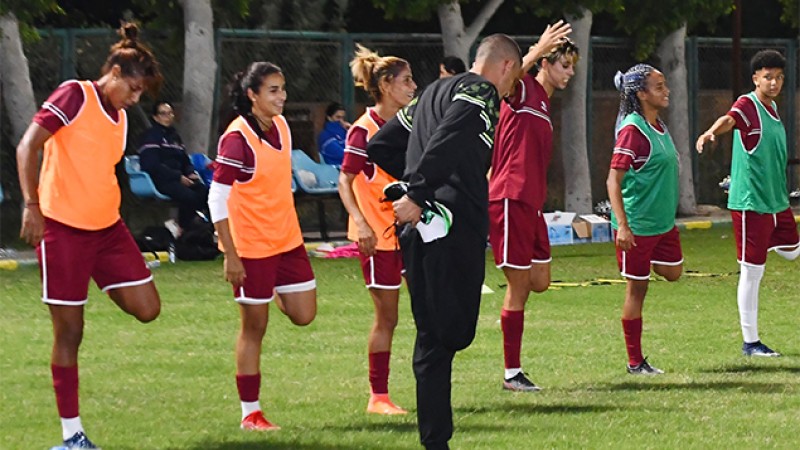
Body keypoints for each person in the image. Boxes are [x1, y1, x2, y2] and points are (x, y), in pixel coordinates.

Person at [15, 23, 163, 450]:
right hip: (62, 230)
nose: (135, 99)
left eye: (140, 93)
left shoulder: (118, 116)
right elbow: (28, 146)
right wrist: (32, 205)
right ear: (114, 71)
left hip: (108, 231)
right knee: (70, 334)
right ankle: (71, 435)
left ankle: (90, 284)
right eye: (133, 88)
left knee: (148, 307)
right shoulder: (74, 94)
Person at [372, 34, 521, 450]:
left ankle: (435, 441)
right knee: (453, 333)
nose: (508, 91)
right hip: (449, 226)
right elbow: (453, 135)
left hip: (419, 230)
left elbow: (381, 145)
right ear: (505, 66)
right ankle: (436, 439)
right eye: (514, 77)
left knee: (433, 341)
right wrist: (419, 193)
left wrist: (410, 188)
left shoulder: (431, 94)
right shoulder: (481, 90)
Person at [209, 61, 317, 431]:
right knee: (254, 328)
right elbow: (216, 198)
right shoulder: (236, 139)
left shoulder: (283, 127)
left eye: (283, 88)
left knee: (304, 314)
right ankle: (250, 413)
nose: (281, 96)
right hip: (251, 249)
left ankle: (267, 290)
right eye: (273, 90)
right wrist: (231, 254)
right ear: (252, 95)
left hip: (287, 241)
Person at [488, 20, 575, 392]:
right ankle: (512, 374)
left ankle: (509, 322)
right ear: (546, 64)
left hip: (532, 204)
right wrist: (538, 48)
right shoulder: (523, 89)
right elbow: (504, 82)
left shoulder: (543, 104)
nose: (569, 73)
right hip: (510, 197)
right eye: (564, 65)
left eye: (572, 66)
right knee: (519, 285)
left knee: (539, 281)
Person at [695, 50, 798, 357]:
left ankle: (769, 243)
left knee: (792, 252)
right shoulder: (747, 104)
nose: (774, 82)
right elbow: (729, 118)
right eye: (768, 77)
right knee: (752, 272)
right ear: (756, 78)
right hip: (751, 204)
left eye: (779, 77)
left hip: (776, 202)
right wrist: (711, 133)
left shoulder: (773, 108)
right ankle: (751, 342)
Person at [337, 44, 417, 415]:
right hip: (379, 238)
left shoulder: (410, 124)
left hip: (411, 233)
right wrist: (362, 222)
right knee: (387, 317)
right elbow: (345, 180)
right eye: (406, 81)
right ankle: (378, 396)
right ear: (386, 85)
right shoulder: (362, 130)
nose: (413, 87)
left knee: (427, 311)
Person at [606, 64, 682, 375]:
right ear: (641, 94)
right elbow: (613, 180)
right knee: (637, 290)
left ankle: (641, 264)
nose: (666, 91)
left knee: (674, 272)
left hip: (663, 225)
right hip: (637, 228)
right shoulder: (633, 130)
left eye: (665, 85)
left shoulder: (659, 125)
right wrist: (623, 226)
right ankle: (635, 362)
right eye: (659, 86)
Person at [138, 101, 209, 232]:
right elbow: (151, 165)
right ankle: (184, 230)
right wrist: (178, 177)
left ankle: (204, 231)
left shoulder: (175, 137)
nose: (168, 117)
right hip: (162, 179)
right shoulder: (150, 136)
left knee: (205, 192)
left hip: (180, 178)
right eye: (163, 114)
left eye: (170, 113)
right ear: (155, 117)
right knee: (189, 196)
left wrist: (190, 173)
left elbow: (185, 160)